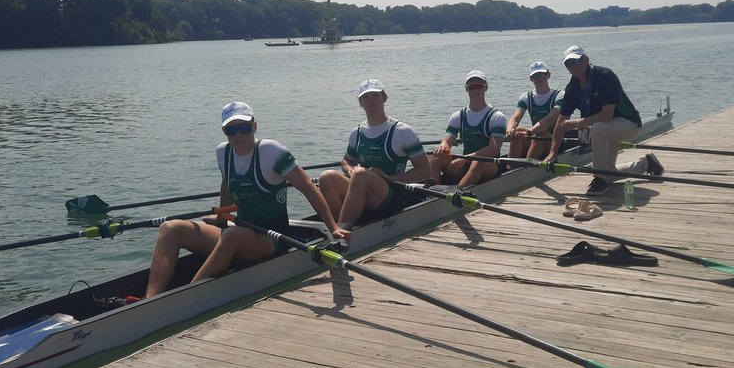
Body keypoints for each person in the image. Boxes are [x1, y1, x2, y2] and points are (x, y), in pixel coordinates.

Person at [144, 101, 350, 297]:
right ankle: (150, 300)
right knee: (170, 229)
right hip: (239, 233)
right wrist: (222, 217)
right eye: (231, 130)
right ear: (225, 132)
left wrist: (332, 227)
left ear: (255, 126)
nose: (238, 135)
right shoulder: (223, 152)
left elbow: (308, 188)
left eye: (244, 127)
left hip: (271, 239)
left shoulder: (271, 151)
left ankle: (186, 298)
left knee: (232, 235)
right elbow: (227, 183)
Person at [545, 45, 663, 196]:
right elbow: (561, 122)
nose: (573, 66)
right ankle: (645, 164)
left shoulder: (604, 76)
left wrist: (579, 123)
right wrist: (553, 152)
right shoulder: (572, 88)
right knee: (609, 172)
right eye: (569, 63)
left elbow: (607, 115)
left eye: (576, 61)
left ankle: (599, 178)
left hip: (627, 123)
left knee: (598, 128)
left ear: (586, 60)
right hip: (604, 129)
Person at [318, 79, 432, 228]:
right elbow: (347, 160)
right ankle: (339, 228)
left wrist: (391, 178)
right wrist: (349, 170)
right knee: (327, 177)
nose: (370, 100)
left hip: (392, 194)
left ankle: (343, 232)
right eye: (365, 97)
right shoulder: (356, 133)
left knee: (360, 174)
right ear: (360, 102)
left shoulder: (403, 131)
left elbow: (425, 170)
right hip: (365, 191)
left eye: (375, 95)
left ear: (384, 98)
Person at [430, 70, 508, 188]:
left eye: (479, 86)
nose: (475, 90)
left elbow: (493, 149)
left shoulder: (497, 117)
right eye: (472, 87)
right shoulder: (458, 116)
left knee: (479, 160)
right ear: (466, 89)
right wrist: (443, 145)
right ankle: (433, 193)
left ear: (485, 88)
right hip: (465, 163)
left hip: (489, 165)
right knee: (434, 157)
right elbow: (448, 139)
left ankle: (456, 192)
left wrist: (464, 159)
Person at [505, 61, 564, 160]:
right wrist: (510, 130)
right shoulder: (526, 97)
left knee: (539, 133)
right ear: (531, 79)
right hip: (535, 136)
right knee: (517, 132)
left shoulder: (560, 95)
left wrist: (529, 132)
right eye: (535, 76)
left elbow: (551, 118)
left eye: (541, 75)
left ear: (548, 75)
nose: (538, 79)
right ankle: (511, 169)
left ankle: (528, 168)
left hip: (555, 140)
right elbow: (515, 119)